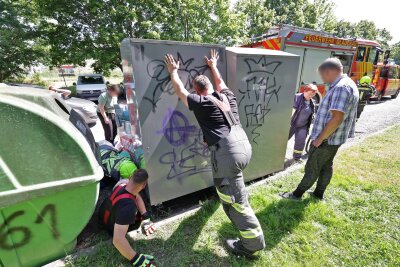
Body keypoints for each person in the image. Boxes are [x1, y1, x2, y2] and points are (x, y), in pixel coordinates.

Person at [164, 50, 265, 259]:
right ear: (209, 87)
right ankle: (250, 237)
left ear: (198, 91)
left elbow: (180, 91)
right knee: (234, 193)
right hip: (243, 147)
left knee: (234, 202)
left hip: (228, 156)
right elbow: (221, 84)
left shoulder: (202, 102)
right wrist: (214, 66)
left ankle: (252, 245)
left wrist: (173, 71)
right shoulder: (227, 97)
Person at [280, 58, 359, 201]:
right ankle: (318, 194)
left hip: (326, 140)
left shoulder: (341, 87)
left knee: (312, 167)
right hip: (335, 139)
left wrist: (320, 139)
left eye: (322, 76)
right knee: (326, 166)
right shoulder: (349, 84)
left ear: (328, 72)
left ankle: (296, 194)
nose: (322, 79)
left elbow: (336, 118)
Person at [98, 169, 157, 267]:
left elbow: (136, 196)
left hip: (104, 217)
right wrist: (137, 259)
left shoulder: (122, 184)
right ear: (144, 185)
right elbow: (117, 240)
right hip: (112, 228)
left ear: (130, 178)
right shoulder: (129, 207)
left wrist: (146, 217)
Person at [289, 84, 317, 162]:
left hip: (303, 126)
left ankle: (297, 157)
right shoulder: (297, 97)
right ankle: (277, 154)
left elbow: (312, 114)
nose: (310, 96)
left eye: (313, 94)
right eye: (309, 94)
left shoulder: (312, 102)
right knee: (282, 140)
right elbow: (291, 110)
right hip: (292, 124)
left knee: (300, 141)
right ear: (305, 91)